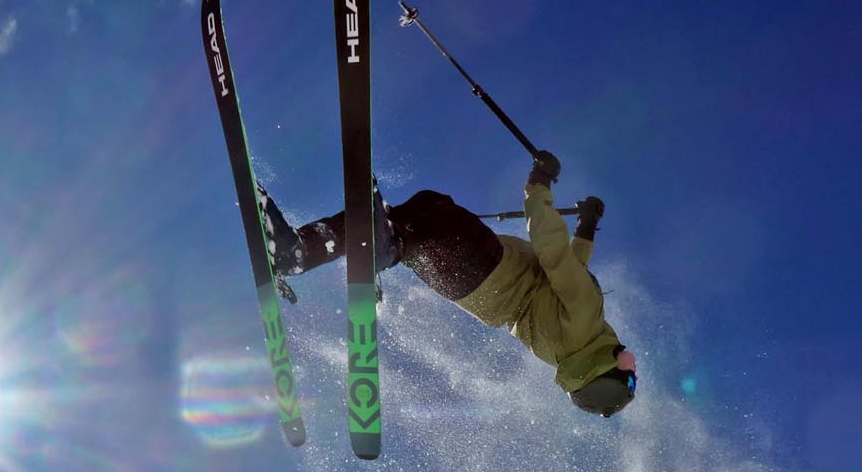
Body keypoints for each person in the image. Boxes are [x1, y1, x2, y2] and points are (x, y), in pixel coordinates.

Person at [261, 149, 637, 417]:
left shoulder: (588, 315)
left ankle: (349, 250)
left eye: (629, 378)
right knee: (414, 218)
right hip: (466, 291)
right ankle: (312, 250)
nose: (634, 367)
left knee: (434, 211)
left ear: (607, 368)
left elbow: (554, 252)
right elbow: (572, 272)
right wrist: (587, 226)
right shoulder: (569, 349)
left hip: (491, 265)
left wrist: (538, 184)